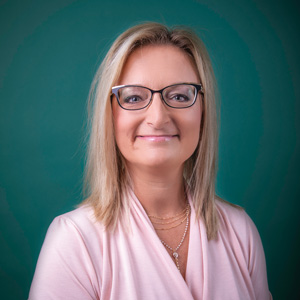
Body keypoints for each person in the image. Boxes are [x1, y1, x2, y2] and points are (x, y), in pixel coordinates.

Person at [29, 22, 272, 299]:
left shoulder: (240, 232)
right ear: (110, 115)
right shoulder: (74, 241)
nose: (158, 118)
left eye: (179, 95)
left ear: (204, 112)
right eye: (134, 97)